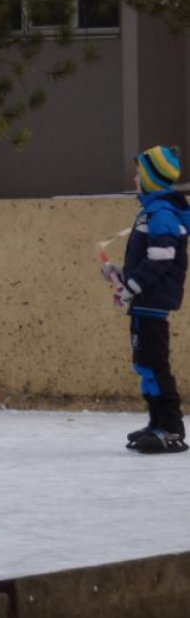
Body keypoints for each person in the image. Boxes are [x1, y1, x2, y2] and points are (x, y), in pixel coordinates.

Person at [105, 145, 190, 453]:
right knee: (145, 365)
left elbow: (161, 258)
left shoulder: (162, 212)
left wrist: (131, 286)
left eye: (140, 173)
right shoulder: (149, 210)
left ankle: (171, 429)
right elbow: (147, 258)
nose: (135, 177)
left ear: (153, 179)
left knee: (155, 365)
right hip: (144, 300)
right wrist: (120, 273)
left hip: (152, 300)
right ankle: (157, 423)